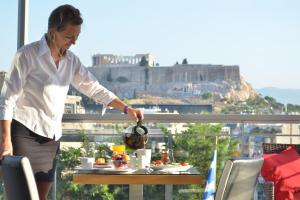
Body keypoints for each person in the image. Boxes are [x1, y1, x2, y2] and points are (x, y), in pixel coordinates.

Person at [0, 4, 143, 200]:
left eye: (76, 37)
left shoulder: (71, 61)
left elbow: (94, 88)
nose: (74, 42)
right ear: (53, 32)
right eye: (69, 37)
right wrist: (6, 141)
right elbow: (8, 98)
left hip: (51, 138)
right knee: (20, 196)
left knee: (39, 198)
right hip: (24, 134)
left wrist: (126, 108)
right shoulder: (27, 55)